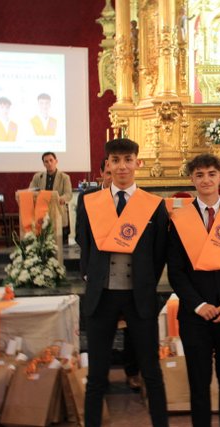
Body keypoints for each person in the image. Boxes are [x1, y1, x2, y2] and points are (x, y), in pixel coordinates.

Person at [76, 138, 169, 427]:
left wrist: (143, 282)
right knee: (96, 376)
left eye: (128, 159)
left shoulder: (153, 205)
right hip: (101, 297)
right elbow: (84, 243)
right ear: (108, 164)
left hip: (139, 298)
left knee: (151, 372)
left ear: (137, 163)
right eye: (115, 160)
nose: (122, 166)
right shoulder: (89, 202)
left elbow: (159, 254)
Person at [167, 153, 220, 427]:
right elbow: (176, 271)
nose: (206, 180)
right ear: (192, 179)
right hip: (194, 317)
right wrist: (198, 304)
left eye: (211, 174)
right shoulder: (179, 219)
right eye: (200, 175)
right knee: (198, 385)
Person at [76, 159, 141, 390]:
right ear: (103, 173)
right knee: (100, 335)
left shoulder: (139, 200)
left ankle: (132, 371)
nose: (112, 176)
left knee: (133, 332)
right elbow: (81, 236)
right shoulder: (89, 199)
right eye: (107, 172)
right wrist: (88, 270)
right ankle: (99, 378)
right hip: (100, 280)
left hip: (131, 280)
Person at [30, 152, 73, 244]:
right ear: (43, 164)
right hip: (42, 215)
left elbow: (68, 194)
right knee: (43, 243)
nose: (49, 163)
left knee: (60, 244)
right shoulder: (38, 177)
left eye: (51, 160)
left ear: (56, 161)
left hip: (58, 213)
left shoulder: (64, 177)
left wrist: (60, 199)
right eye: (46, 161)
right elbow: (31, 192)